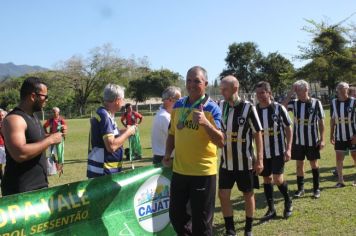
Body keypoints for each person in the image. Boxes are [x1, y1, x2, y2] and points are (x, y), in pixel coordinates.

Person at [162, 66, 224, 235]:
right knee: (176, 217)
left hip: (203, 174)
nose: (191, 84)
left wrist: (205, 123)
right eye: (188, 80)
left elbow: (221, 141)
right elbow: (172, 134)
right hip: (180, 172)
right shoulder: (178, 105)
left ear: (205, 83)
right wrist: (167, 154)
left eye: (196, 81)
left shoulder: (212, 109)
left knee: (202, 225)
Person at [1, 77, 63, 196]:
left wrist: (52, 136)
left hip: (39, 186)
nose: (46, 100)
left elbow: (34, 139)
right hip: (20, 191)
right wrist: (50, 140)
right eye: (45, 96)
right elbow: (20, 153)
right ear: (33, 96)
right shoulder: (14, 119)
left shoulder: (33, 116)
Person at [218, 76, 263, 236]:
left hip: (246, 162)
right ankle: (230, 229)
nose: (221, 92)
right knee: (223, 194)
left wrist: (260, 160)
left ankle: (248, 228)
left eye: (225, 89)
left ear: (235, 89)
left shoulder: (248, 107)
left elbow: (258, 133)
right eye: (221, 89)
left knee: (248, 194)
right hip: (226, 162)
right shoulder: (221, 105)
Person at [255, 81, 293, 220]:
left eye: (262, 93)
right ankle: (271, 209)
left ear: (269, 93)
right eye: (258, 93)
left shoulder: (278, 108)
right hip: (262, 153)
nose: (259, 96)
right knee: (267, 179)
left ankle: (288, 201)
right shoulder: (255, 110)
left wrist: (288, 148)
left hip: (278, 151)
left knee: (277, 179)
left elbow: (288, 128)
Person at [282, 80, 325, 199]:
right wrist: (290, 92)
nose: (297, 93)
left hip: (312, 140)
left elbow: (321, 122)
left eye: (298, 90)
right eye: (296, 90)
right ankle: (300, 189)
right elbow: (282, 107)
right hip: (298, 141)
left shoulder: (316, 103)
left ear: (306, 90)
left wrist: (322, 139)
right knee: (299, 165)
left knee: (314, 164)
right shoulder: (294, 103)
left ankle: (316, 189)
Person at [87, 84, 136, 178]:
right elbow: (111, 146)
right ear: (117, 100)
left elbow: (111, 135)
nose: (123, 102)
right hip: (103, 172)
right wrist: (128, 133)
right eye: (123, 99)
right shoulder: (104, 115)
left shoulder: (105, 113)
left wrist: (126, 131)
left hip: (104, 170)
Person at [330, 82, 356, 187]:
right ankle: (340, 181)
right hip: (339, 136)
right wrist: (331, 135)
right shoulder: (333, 102)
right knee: (339, 158)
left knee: (355, 157)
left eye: (343, 88)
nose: (340, 90)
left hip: (353, 135)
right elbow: (333, 120)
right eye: (339, 88)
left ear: (347, 89)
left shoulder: (354, 102)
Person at [151, 86, 181, 164]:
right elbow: (177, 139)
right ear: (170, 100)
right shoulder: (165, 117)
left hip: (162, 158)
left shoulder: (162, 114)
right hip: (166, 160)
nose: (181, 103)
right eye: (179, 100)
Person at [43, 107, 67, 175]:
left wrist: (63, 134)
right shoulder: (50, 120)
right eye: (52, 112)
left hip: (59, 140)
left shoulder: (61, 120)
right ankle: (52, 169)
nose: (53, 113)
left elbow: (65, 129)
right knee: (51, 154)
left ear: (58, 112)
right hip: (52, 139)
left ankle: (60, 169)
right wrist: (47, 134)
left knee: (60, 154)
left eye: (54, 112)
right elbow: (44, 126)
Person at [0, 109, 7, 179]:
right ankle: (1, 176)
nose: (1, 117)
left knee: (8, 161)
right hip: (0, 145)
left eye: (2, 115)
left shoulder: (6, 123)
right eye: (0, 115)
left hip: (6, 145)